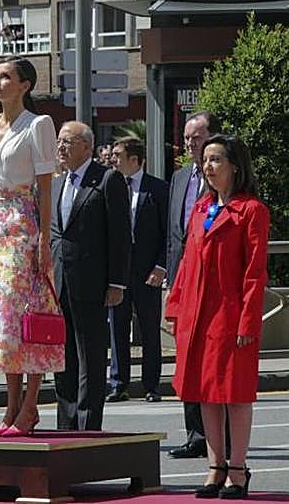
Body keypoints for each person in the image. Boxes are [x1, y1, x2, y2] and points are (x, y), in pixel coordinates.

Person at [165, 134, 268, 499]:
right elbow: (187, 264)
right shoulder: (201, 209)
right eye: (205, 160)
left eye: (215, 160)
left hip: (229, 314)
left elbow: (255, 273)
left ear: (235, 166)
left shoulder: (251, 210)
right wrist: (175, 307)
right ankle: (215, 465)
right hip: (198, 314)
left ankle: (238, 469)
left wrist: (247, 322)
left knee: (235, 394)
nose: (207, 167)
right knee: (205, 392)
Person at [0, 56, 63, 437]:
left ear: (24, 85)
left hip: (22, 224)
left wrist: (43, 240)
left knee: (26, 313)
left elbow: (45, 187)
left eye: (6, 76)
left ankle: (30, 405)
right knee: (2, 319)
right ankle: (10, 407)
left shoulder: (38, 125)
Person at [50, 121, 131, 430]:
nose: (61, 147)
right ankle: (66, 424)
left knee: (91, 358)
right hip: (59, 282)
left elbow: (120, 236)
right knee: (63, 359)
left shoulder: (107, 180)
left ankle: (88, 426)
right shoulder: (57, 184)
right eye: (59, 141)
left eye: (67, 142)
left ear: (86, 146)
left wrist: (116, 282)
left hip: (92, 283)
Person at [166, 111, 221, 459]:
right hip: (181, 283)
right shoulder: (180, 178)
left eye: (197, 137)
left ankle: (218, 437)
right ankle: (195, 435)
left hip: (211, 286)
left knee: (210, 364)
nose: (190, 144)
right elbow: (174, 236)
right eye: (187, 138)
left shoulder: (223, 182)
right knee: (186, 363)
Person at [106, 137, 168, 403]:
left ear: (135, 159)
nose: (113, 160)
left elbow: (168, 233)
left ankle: (152, 385)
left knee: (150, 328)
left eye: (118, 155)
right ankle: (118, 383)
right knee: (117, 328)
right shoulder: (110, 186)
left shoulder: (157, 189)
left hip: (147, 272)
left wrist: (161, 266)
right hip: (118, 273)